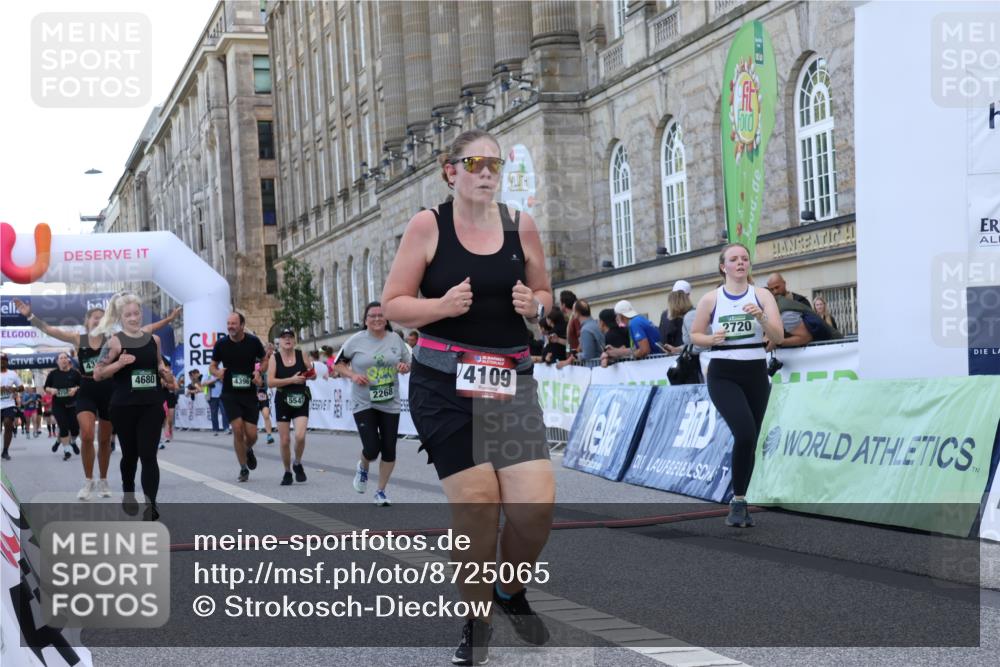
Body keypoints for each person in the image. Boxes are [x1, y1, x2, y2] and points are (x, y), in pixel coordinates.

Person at [382, 129, 554, 665]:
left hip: (509, 380)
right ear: (450, 169)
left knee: (534, 508)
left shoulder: (519, 224)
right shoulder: (427, 226)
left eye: (495, 165)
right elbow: (393, 305)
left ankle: (507, 590)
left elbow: (545, 294)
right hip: (445, 384)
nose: (486, 172)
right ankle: (477, 622)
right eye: (475, 162)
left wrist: (535, 306)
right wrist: (440, 307)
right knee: (478, 504)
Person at [16, 298, 178, 500]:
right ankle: (88, 481)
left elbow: (148, 327)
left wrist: (169, 319)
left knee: (104, 440)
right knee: (86, 434)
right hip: (87, 390)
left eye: (102, 319)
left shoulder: (113, 340)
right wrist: (30, 316)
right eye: (95, 318)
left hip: (110, 391)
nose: (98, 322)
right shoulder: (79, 340)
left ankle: (103, 480)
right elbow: (51, 331)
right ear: (88, 321)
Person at [691, 243, 783, 528]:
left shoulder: (763, 295)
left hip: (755, 371)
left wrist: (761, 317)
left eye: (744, 258)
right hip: (723, 372)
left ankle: (740, 501)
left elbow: (777, 336)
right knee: (743, 432)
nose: (741, 262)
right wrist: (711, 339)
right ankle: (737, 501)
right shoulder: (711, 298)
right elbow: (695, 334)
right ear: (723, 266)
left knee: (751, 438)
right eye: (734, 259)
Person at [93, 293, 178, 520]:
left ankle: (151, 504)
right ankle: (128, 492)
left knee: (149, 455)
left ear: (141, 313)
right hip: (124, 406)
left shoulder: (154, 340)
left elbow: (158, 362)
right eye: (128, 315)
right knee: (130, 455)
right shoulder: (114, 342)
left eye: (136, 313)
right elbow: (98, 373)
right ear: (121, 317)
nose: (133, 318)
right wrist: (118, 363)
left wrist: (163, 371)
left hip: (151, 404)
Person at [335, 302, 411, 506]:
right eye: (372, 316)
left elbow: (408, 363)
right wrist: (353, 375)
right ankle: (363, 466)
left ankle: (380, 491)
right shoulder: (355, 341)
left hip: (390, 401)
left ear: (386, 319)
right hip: (364, 402)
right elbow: (338, 364)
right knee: (372, 447)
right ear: (365, 320)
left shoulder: (396, 339)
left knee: (389, 449)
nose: (377, 319)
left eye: (380, 315)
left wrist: (404, 367)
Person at [210, 312, 267, 482]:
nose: (230, 327)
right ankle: (243, 468)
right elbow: (212, 366)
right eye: (228, 323)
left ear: (242, 325)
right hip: (230, 393)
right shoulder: (221, 344)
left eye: (234, 323)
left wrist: (259, 371)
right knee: (237, 429)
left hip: (249, 394)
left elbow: (265, 360)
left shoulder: (253, 342)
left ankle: (247, 450)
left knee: (252, 435)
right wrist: (217, 372)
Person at [267, 328, 313, 485]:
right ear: (279, 341)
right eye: (284, 337)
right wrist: (291, 380)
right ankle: (287, 471)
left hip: (301, 398)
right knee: (285, 440)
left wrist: (310, 375)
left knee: (300, 436)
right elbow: (271, 382)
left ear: (294, 340)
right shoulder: (275, 358)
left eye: (290, 337)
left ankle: (297, 463)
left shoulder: (301, 354)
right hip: (283, 400)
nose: (287, 339)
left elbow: (311, 373)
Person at [44, 353, 81, 462]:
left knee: (75, 429)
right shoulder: (53, 374)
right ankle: (67, 450)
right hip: (58, 405)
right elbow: (46, 387)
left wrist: (75, 389)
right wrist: (51, 390)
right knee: (63, 426)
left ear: (68, 360)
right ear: (57, 361)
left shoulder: (75, 373)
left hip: (73, 405)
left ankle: (71, 442)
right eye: (61, 358)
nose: (64, 360)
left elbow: (82, 385)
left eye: (66, 358)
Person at [601, 300, 660, 365]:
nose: (616, 319)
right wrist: (616, 351)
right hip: (658, 361)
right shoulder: (639, 319)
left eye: (617, 316)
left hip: (655, 363)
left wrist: (632, 356)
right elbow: (636, 349)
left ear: (621, 316)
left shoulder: (634, 323)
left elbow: (644, 350)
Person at [659, 280, 693, 350]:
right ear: (688, 296)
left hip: (672, 355)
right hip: (688, 354)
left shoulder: (665, 314)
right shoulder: (693, 313)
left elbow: (663, 339)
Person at [1, 354, 23, 461]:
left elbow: (21, 388)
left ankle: (5, 451)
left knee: (8, 423)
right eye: (0, 360)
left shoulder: (12, 374)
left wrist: (13, 389)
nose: (2, 362)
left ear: (7, 362)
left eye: (4, 360)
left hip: (9, 404)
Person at [257, 343, 276, 445]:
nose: (271, 351)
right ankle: (250, 436)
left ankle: (269, 436)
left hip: (263, 392)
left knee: (266, 414)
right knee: (251, 418)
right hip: (253, 392)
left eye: (272, 349)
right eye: (269, 349)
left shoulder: (273, 360)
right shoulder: (258, 360)